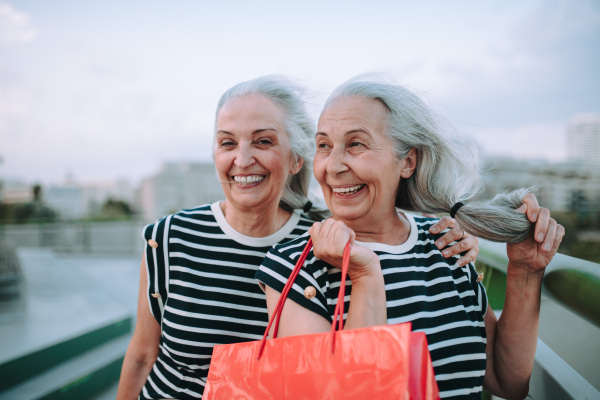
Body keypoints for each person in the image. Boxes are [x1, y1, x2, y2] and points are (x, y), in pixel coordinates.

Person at [116, 75, 477, 400]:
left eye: (263, 141)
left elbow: (386, 230)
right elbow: (143, 354)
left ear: (296, 159)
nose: (242, 159)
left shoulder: (327, 237)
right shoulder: (169, 237)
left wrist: (458, 237)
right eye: (227, 143)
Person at [257, 77, 565, 399]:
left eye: (355, 144)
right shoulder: (296, 265)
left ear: (407, 162)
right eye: (324, 146)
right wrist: (365, 277)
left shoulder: (445, 244)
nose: (332, 166)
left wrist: (526, 272)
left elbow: (506, 380)